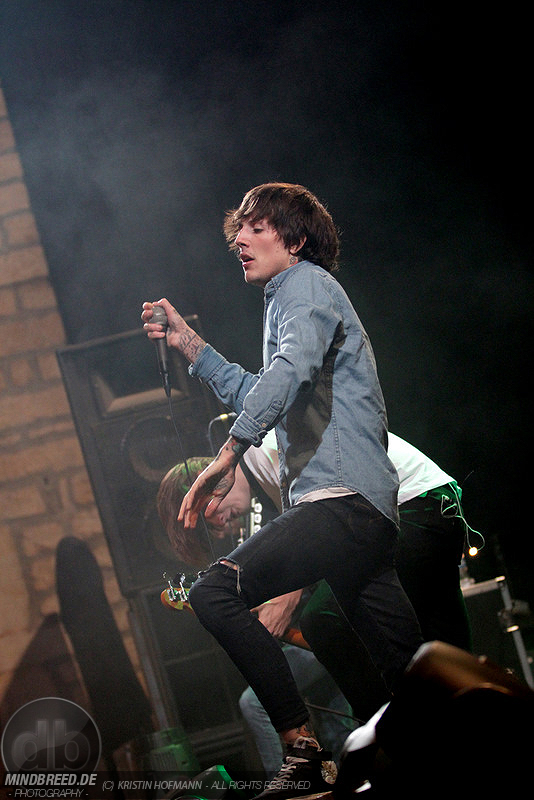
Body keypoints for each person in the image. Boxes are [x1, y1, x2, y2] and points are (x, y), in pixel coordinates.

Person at [142, 182, 423, 799]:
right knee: (411, 675)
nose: (239, 240)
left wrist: (228, 454)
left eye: (256, 227)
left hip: (340, 502)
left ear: (294, 239)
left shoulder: (305, 285)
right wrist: (189, 343)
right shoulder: (290, 301)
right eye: (237, 230)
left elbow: (287, 374)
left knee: (214, 594)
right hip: (362, 514)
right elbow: (264, 390)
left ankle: (302, 751)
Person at [158, 430, 357, 778]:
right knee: (343, 738)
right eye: (209, 529)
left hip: (343, 613)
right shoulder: (242, 530)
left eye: (207, 516)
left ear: (208, 483)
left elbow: (323, 521)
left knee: (255, 705)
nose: (219, 529)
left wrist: (290, 594)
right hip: (317, 634)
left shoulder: (265, 466)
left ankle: (298, 781)